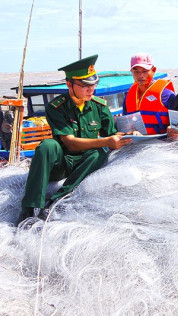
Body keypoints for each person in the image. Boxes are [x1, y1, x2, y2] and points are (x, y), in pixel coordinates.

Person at [18, 55, 132, 225]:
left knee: (99, 153)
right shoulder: (56, 107)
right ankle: (29, 208)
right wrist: (107, 141)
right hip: (61, 164)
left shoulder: (99, 106)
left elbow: (113, 135)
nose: (91, 89)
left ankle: (55, 201)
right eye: (85, 85)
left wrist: (130, 134)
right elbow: (70, 142)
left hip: (85, 164)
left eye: (94, 84)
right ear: (69, 84)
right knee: (47, 146)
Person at [123, 53, 175, 135]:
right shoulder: (128, 97)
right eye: (136, 72)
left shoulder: (168, 96)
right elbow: (125, 126)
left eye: (145, 71)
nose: (140, 75)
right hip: (137, 143)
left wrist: (173, 129)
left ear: (153, 70)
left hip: (163, 143)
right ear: (132, 72)